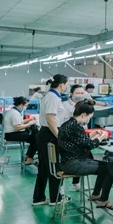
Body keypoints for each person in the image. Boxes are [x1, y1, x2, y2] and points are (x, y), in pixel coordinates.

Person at [57, 102, 113, 211]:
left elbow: (79, 140)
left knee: (106, 165)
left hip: (66, 161)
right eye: (89, 118)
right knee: (111, 168)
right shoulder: (75, 127)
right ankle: (103, 200)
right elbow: (89, 145)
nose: (89, 120)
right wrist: (102, 137)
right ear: (83, 115)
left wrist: (93, 134)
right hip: (74, 164)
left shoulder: (67, 124)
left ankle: (96, 194)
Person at [32, 74, 70, 207]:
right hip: (50, 133)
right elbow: (51, 119)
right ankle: (55, 198)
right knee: (53, 165)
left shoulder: (50, 96)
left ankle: (39, 198)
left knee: (43, 167)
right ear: (61, 84)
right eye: (66, 84)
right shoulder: (53, 97)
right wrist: (59, 136)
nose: (67, 86)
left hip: (45, 132)